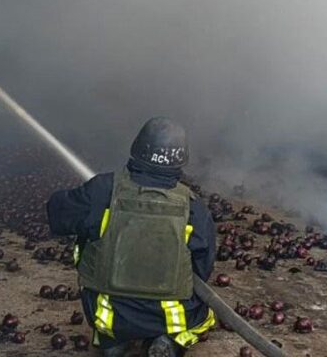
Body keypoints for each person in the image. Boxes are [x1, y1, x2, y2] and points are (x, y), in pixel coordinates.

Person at [47, 117, 216, 357]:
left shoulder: (102, 190)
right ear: (181, 160)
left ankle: (112, 342)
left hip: (111, 312)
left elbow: (57, 215)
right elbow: (203, 267)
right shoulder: (194, 208)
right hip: (168, 314)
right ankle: (170, 340)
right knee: (205, 317)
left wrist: (85, 201)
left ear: (137, 150)